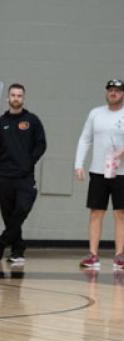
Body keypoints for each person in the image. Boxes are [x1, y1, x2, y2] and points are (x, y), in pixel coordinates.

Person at [0, 83, 46, 264]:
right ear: (8, 98)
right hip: (3, 176)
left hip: (24, 176)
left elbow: (41, 144)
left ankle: (3, 240)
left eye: (19, 95)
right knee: (9, 215)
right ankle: (17, 250)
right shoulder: (1, 122)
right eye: (13, 95)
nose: (16, 98)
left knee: (22, 209)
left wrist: (29, 162)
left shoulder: (32, 120)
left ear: (23, 98)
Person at [75, 79, 124, 270]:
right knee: (96, 212)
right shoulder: (95, 113)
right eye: (111, 90)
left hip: (121, 173)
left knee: (121, 213)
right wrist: (79, 164)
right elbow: (85, 139)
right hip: (98, 171)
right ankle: (93, 255)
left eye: (118, 91)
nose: (114, 93)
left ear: (122, 94)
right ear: (106, 92)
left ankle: (120, 255)